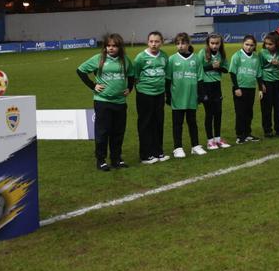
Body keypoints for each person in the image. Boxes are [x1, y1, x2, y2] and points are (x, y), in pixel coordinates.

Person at [76, 34, 134, 170]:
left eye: (114, 46)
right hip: (103, 102)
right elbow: (80, 70)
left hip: (120, 102)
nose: (111, 48)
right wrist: (93, 86)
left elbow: (131, 74)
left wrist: (129, 88)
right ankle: (101, 160)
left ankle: (116, 159)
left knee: (118, 132)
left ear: (120, 47)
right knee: (102, 132)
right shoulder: (99, 58)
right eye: (108, 45)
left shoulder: (125, 60)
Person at [166, 32, 205, 157]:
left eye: (183, 43)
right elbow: (168, 79)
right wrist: (168, 95)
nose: (180, 46)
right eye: (178, 43)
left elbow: (200, 78)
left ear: (188, 44)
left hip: (191, 97)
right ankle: (178, 148)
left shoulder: (196, 59)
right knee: (177, 123)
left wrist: (200, 94)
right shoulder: (172, 59)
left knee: (192, 122)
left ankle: (195, 146)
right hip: (177, 97)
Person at [132, 31, 169, 164]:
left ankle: (158, 152)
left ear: (161, 42)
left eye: (157, 41)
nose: (154, 44)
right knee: (145, 124)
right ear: (148, 42)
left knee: (158, 123)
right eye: (151, 41)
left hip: (159, 94)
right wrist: (142, 90)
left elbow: (166, 74)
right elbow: (135, 76)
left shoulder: (164, 56)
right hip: (144, 95)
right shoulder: (140, 57)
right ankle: (145, 155)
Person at [228, 34, 264, 144]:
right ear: (242, 44)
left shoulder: (256, 57)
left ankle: (247, 134)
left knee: (249, 112)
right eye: (247, 44)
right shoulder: (237, 56)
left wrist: (260, 89)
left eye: (251, 45)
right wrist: (236, 88)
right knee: (240, 113)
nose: (249, 47)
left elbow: (258, 74)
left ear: (254, 46)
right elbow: (232, 73)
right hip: (240, 89)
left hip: (251, 88)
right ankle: (240, 135)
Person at [200, 34, 231, 150]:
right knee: (209, 114)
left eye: (217, 43)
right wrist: (211, 66)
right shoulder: (203, 53)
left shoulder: (221, 54)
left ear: (220, 43)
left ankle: (217, 139)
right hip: (206, 86)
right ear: (208, 43)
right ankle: (210, 141)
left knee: (218, 113)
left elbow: (226, 69)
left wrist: (218, 67)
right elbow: (198, 68)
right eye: (212, 43)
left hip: (217, 86)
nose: (214, 45)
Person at [257, 31, 279, 138]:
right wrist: (261, 84)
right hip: (266, 82)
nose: (267, 46)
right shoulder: (262, 52)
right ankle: (267, 130)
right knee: (266, 107)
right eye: (266, 43)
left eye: (270, 44)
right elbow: (259, 68)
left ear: (277, 44)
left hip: (277, 81)